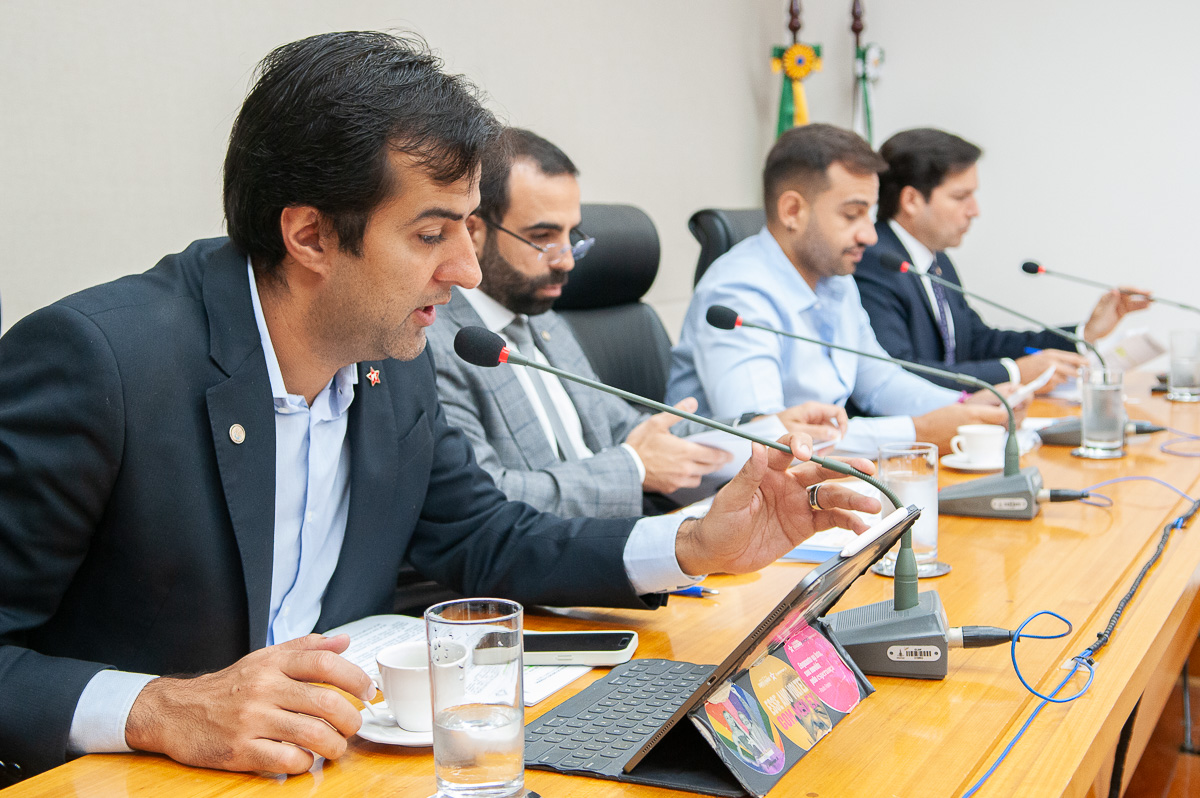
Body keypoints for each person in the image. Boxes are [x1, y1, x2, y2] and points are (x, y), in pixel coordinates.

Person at [0, 33, 881, 783]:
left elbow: (483, 536)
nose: (464, 270)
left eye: (467, 226)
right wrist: (156, 707)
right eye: (431, 234)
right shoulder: (102, 362)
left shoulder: (393, 357)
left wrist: (694, 544)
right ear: (309, 235)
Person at [428, 127, 849, 518]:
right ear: (474, 231)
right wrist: (633, 469)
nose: (567, 260)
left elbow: (625, 429)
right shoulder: (440, 345)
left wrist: (760, 429)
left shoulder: (542, 320)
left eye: (572, 236)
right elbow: (488, 495)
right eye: (542, 237)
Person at [667, 124, 1008, 456]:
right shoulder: (738, 293)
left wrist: (963, 407)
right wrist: (917, 432)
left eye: (869, 214)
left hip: (817, 475)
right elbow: (767, 441)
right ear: (792, 211)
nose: (869, 236)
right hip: (732, 487)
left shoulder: (836, 278)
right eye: (851, 215)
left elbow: (880, 382)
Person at [855, 128, 1150, 391]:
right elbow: (900, 373)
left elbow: (979, 343)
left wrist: (1085, 333)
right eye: (961, 197)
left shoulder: (935, 260)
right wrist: (1014, 373)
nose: (974, 211)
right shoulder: (874, 263)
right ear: (911, 201)